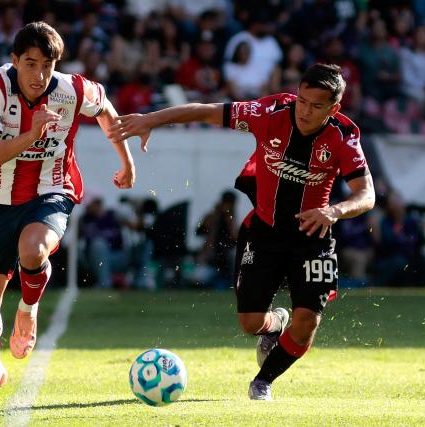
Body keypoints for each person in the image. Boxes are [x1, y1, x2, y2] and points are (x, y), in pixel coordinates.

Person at [109, 63, 375, 400]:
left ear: (334, 108)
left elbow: (366, 196)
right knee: (250, 323)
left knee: (307, 320)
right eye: (302, 101)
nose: (305, 111)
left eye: (316, 106)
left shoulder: (343, 137)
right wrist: (150, 119)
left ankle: (263, 381)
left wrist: (334, 211)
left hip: (312, 237)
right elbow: (205, 112)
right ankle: (276, 324)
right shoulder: (269, 112)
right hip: (264, 231)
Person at [0, 22, 135, 403]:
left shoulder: (72, 89)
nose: (38, 75)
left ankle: (29, 308)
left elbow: (105, 109)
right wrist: (31, 136)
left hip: (51, 190)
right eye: (30, 63)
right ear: (15, 61)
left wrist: (126, 163)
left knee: (33, 249)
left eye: (47, 65)